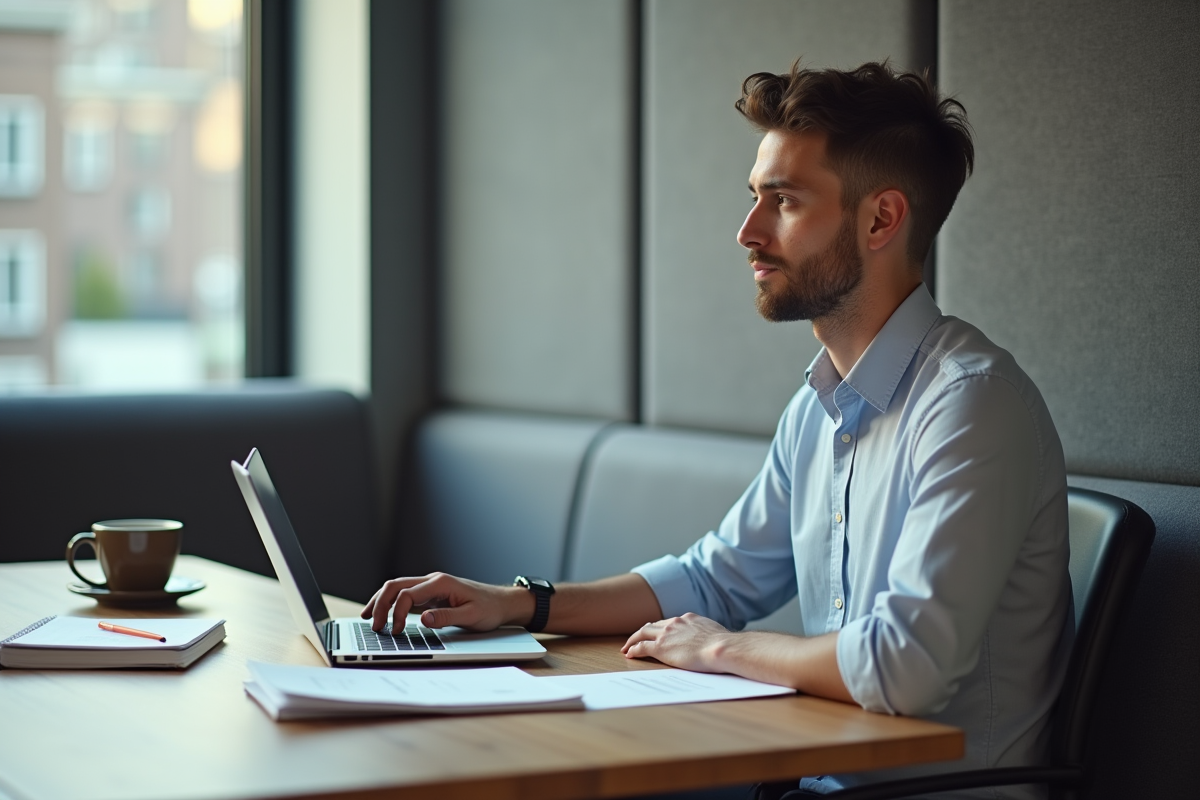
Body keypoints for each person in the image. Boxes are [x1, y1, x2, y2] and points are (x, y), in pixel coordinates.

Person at [363, 61, 1073, 799]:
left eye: (784, 201)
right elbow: (713, 577)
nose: (748, 231)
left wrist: (721, 647)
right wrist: (523, 604)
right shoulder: (817, 408)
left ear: (880, 220)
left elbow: (904, 668)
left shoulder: (971, 408)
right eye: (754, 198)